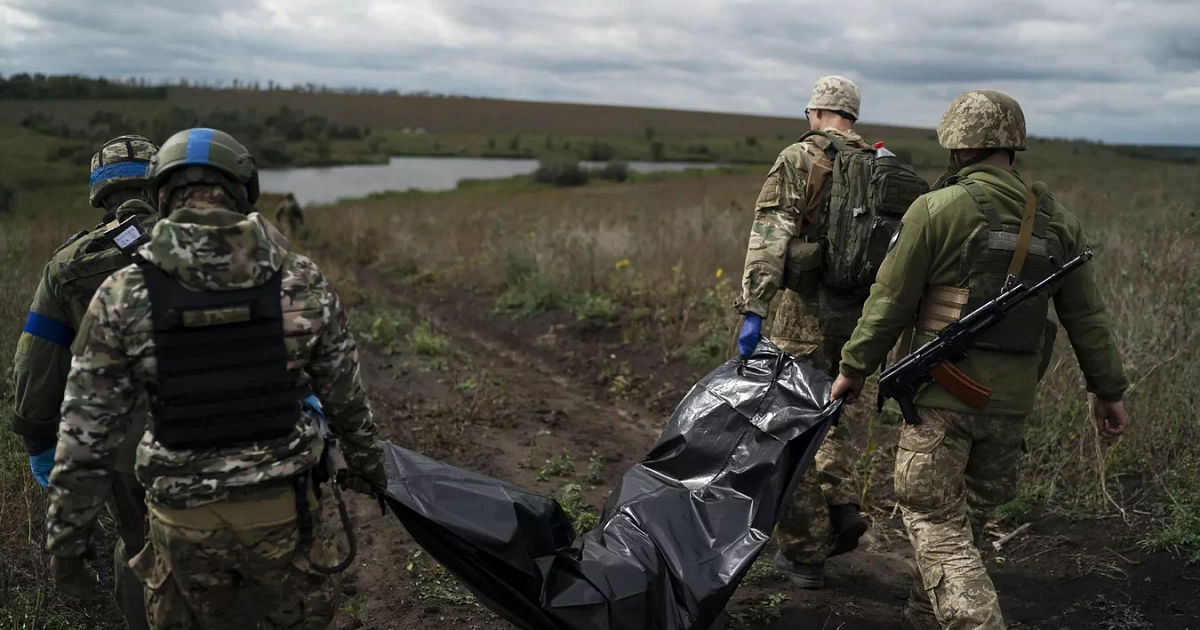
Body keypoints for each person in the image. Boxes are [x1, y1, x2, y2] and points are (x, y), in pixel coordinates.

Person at [43, 127, 388, 629]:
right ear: (245, 189)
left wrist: (67, 551)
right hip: (282, 518)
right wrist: (367, 467)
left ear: (160, 193)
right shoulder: (301, 280)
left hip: (180, 527)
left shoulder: (124, 293)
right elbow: (345, 402)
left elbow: (85, 440)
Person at [829, 90, 1130, 630]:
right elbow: (1088, 318)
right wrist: (1108, 391)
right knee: (965, 526)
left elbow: (890, 302)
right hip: (1009, 407)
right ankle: (926, 618)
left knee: (932, 519)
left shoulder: (938, 208)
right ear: (1013, 146)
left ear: (957, 145)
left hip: (943, 399)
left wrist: (852, 370)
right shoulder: (1059, 223)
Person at [11, 134, 160, 630]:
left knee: (141, 549)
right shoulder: (211, 243)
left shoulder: (68, 265)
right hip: (221, 433)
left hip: (122, 446)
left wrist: (37, 438)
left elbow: (35, 366)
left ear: (99, 193)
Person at [733, 75, 873, 588]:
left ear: (814, 112)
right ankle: (838, 506)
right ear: (852, 116)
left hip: (803, 317)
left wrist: (754, 310)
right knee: (830, 418)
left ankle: (805, 550)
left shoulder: (799, 158)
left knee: (784, 426)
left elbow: (771, 234)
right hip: (860, 322)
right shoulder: (880, 165)